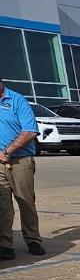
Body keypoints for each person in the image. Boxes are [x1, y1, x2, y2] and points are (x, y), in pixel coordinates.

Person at [0, 76, 43, 260]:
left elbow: (30, 131)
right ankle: (5, 244)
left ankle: (33, 240)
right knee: (3, 205)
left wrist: (7, 151)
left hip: (20, 160)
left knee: (25, 201)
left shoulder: (17, 100)